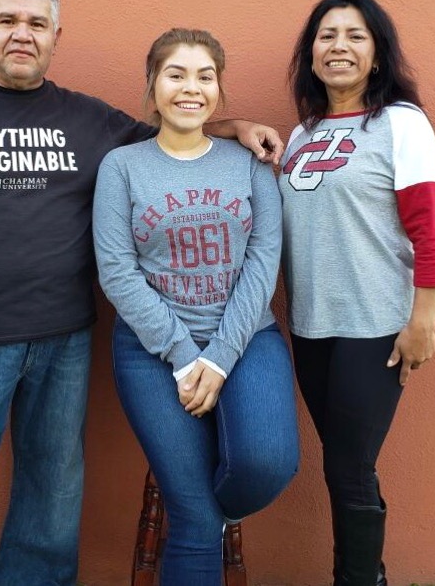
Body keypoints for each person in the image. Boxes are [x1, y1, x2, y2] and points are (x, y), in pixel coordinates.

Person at [0, 0, 283, 586]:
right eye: (8, 22)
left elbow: (175, 130)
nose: (22, 35)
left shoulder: (86, 120)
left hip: (64, 343)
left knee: (51, 501)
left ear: (56, 35)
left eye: (36, 24)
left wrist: (235, 127)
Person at [92, 28, 299, 586]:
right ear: (152, 85)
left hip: (246, 338)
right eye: (176, 74)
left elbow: (264, 259)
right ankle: (204, 520)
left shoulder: (250, 162)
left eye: (205, 76)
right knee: (191, 519)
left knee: (268, 464)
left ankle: (217, 515)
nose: (191, 88)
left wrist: (222, 355)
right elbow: (117, 270)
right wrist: (184, 356)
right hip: (151, 352)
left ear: (219, 90)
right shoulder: (122, 167)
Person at [279, 0, 435, 586]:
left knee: (349, 469)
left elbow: (430, 228)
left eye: (355, 36)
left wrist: (422, 321)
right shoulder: (301, 135)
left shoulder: (401, 125)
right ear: (311, 54)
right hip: (311, 326)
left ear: (377, 55)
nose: (339, 47)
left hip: (375, 325)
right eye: (327, 36)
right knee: (343, 466)